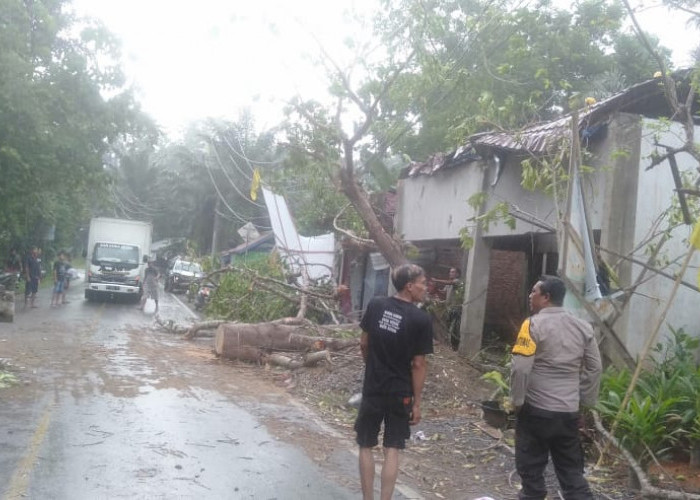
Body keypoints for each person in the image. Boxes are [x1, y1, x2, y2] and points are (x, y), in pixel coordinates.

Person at [510, 275, 603, 500]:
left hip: (536, 411)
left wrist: (517, 402)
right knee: (572, 473)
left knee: (531, 470)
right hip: (568, 413)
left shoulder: (531, 324)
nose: (530, 296)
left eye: (534, 292)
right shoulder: (583, 327)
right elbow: (595, 368)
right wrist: (584, 404)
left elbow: (521, 369)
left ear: (546, 297)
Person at [355, 263, 434, 500]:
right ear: (409, 286)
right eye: (422, 282)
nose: (425, 287)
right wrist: (417, 403)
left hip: (373, 388)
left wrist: (373, 368)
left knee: (366, 444)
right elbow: (418, 364)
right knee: (392, 448)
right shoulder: (421, 319)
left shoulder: (377, 305)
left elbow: (363, 343)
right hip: (401, 392)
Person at [433, 267, 463, 350]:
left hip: (456, 309)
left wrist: (436, 280)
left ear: (457, 274)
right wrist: (435, 290)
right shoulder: (448, 284)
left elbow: (450, 283)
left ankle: (455, 346)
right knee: (446, 325)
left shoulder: (457, 281)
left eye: (453, 272)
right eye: (450, 272)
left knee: (455, 329)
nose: (450, 273)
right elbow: (443, 292)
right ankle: (447, 343)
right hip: (449, 308)